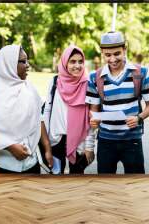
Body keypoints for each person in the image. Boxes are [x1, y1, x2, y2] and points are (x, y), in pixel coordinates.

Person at [86, 31, 149, 174]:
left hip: (132, 141)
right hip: (106, 142)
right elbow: (93, 112)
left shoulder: (141, 73)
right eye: (108, 55)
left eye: (117, 53)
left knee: (135, 183)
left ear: (124, 49)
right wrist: (93, 122)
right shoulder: (95, 78)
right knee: (106, 187)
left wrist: (139, 118)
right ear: (102, 53)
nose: (113, 59)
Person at [0, 45, 53, 174]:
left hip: (31, 163)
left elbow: (38, 120)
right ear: (8, 64)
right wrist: (10, 147)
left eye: (27, 60)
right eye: (23, 61)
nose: (28, 65)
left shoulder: (30, 89)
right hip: (3, 165)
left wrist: (47, 149)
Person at [43, 45, 95, 174]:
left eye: (80, 61)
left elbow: (91, 118)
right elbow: (47, 111)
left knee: (77, 179)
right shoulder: (55, 81)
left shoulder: (88, 84)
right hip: (56, 138)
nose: (77, 65)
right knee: (55, 178)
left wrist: (89, 146)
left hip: (79, 141)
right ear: (65, 62)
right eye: (72, 61)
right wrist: (47, 144)